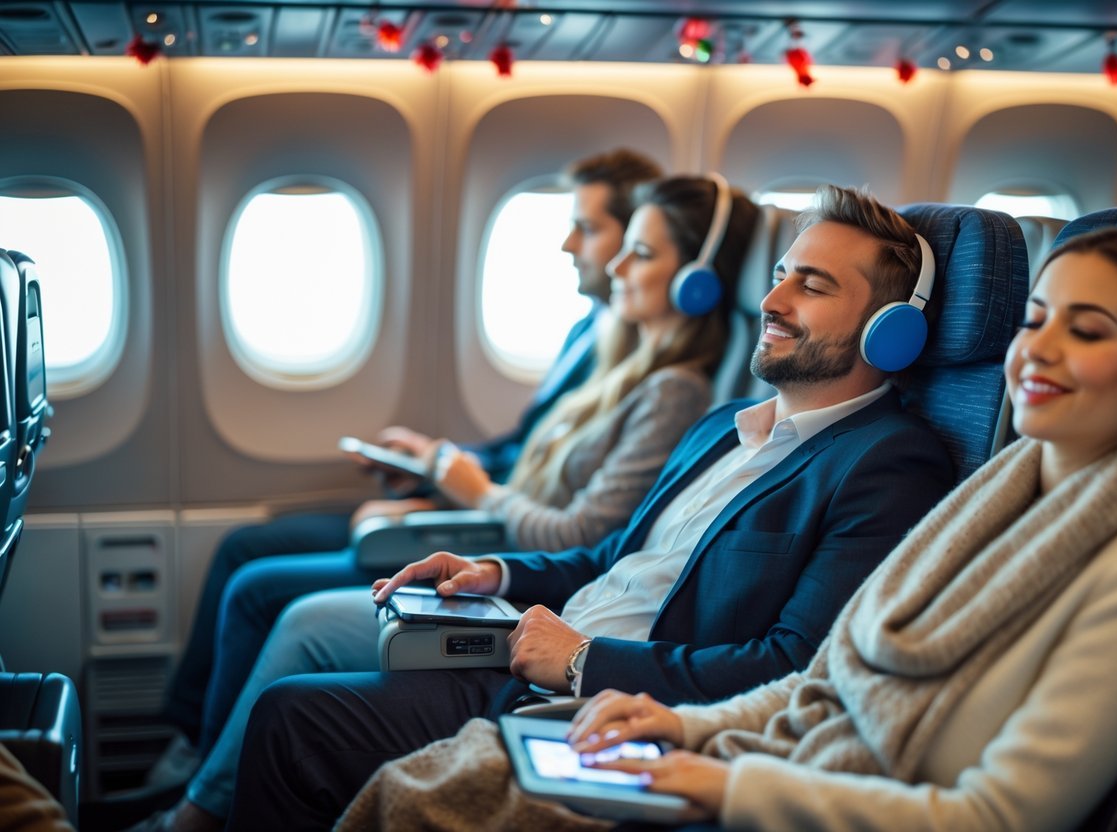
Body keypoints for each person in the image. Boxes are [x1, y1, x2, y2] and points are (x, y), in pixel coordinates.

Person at [346, 227, 1117, 832]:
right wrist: (678, 728)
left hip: (807, 794)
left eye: (1087, 329)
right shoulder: (989, 502)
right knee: (419, 782)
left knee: (417, 787)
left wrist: (725, 782)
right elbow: (828, 680)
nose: (1039, 350)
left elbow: (992, 816)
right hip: (781, 755)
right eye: (1033, 320)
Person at [222, 184, 957, 831]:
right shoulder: (721, 426)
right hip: (534, 656)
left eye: (812, 285)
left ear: (887, 329)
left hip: (603, 703)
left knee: (294, 720)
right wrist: (494, 574)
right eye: (777, 275)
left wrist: (581, 662)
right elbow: (611, 558)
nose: (770, 301)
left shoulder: (888, 464)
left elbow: (795, 666)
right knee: (293, 703)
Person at [145, 173, 762, 832]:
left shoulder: (678, 395)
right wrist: (439, 474)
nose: (610, 265)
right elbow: (531, 464)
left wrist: (469, 495)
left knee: (278, 606)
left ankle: (194, 807)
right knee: (261, 576)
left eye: (638, 252)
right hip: (501, 552)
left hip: (525, 570)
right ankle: (196, 783)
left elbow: (592, 534)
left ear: (697, 279)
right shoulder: (613, 357)